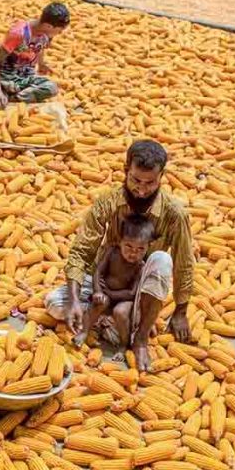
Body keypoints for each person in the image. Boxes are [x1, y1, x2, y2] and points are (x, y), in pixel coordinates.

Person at [46, 139, 196, 372]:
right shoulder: (108, 202)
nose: (142, 189)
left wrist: (180, 311)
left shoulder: (175, 214)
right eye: (136, 180)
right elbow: (82, 251)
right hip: (105, 283)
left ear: (161, 177)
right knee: (55, 305)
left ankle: (141, 338)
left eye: (151, 182)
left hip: (138, 290)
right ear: (126, 170)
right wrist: (76, 299)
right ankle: (108, 321)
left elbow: (184, 264)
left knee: (162, 260)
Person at [72, 214, 156, 349]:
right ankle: (84, 331)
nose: (133, 253)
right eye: (129, 246)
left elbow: (132, 293)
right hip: (105, 294)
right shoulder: (112, 252)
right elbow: (98, 272)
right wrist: (98, 291)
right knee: (99, 302)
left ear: (148, 247)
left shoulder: (140, 266)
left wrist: (110, 293)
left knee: (120, 312)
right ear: (119, 241)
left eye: (140, 249)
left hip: (124, 300)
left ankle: (124, 344)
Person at [0, 2, 70, 109]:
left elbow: (40, 47)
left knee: (52, 88)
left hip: (25, 79)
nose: (60, 33)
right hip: (5, 76)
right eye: (60, 30)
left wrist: (41, 63)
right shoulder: (19, 33)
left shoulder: (47, 33)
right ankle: (2, 92)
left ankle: (11, 97)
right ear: (48, 26)